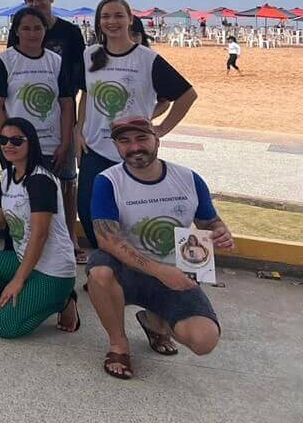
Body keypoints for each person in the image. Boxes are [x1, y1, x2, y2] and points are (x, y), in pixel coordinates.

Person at [88, 116, 232, 380]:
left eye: (142, 138)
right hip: (129, 269)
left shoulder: (188, 178)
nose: (134, 147)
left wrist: (221, 232)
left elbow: (210, 222)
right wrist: (159, 271)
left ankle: (154, 323)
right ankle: (119, 345)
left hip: (175, 272)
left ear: (157, 139)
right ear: (116, 145)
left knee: (204, 340)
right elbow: (107, 239)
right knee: (99, 272)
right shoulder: (108, 181)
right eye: (124, 141)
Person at [76, 0, 196, 250]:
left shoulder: (146, 59)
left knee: (131, 215)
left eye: (118, 15)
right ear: (99, 21)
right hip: (95, 148)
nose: (112, 21)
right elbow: (86, 95)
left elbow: (187, 95)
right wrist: (79, 130)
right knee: (88, 211)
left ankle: (131, 266)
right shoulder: (89, 55)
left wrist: (160, 129)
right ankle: (104, 262)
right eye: (106, 16)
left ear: (130, 19)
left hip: (133, 151)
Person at [0, 117, 80, 338]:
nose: (8, 145)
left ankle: (62, 301)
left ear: (31, 142)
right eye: (3, 140)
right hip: (24, 260)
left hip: (53, 270)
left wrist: (17, 280)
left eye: (16, 140)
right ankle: (30, 291)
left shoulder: (40, 180)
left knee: (4, 326)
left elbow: (40, 235)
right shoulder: (7, 175)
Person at [0, 7, 81, 261]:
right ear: (16, 31)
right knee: (15, 204)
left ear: (45, 31)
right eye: (25, 28)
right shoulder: (4, 61)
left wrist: (65, 142)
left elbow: (66, 104)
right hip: (16, 148)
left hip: (50, 147)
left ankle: (50, 262)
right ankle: (13, 258)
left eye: (37, 28)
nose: (32, 33)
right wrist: (7, 140)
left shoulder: (55, 61)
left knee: (47, 207)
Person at [4, 0, 87, 92]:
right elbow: (11, 61)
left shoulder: (71, 31)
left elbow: (79, 66)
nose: (35, 4)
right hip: (27, 92)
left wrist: (74, 91)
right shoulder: (18, 31)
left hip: (63, 95)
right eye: (30, 0)